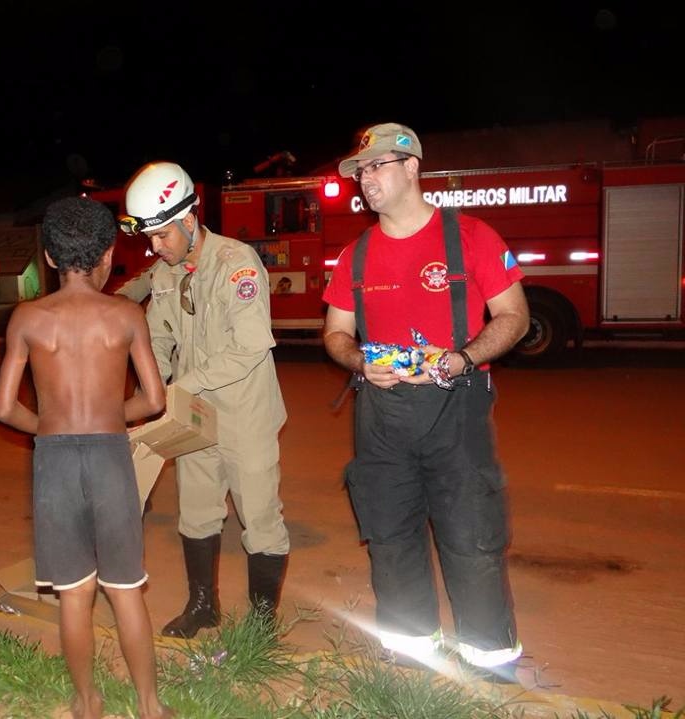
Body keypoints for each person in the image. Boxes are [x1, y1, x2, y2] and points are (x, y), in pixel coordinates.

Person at [321, 123, 529, 682]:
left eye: (377, 166)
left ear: (412, 167)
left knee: (470, 535)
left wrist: (461, 357)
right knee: (389, 535)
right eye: (360, 171)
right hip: (382, 417)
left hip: (455, 408)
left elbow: (515, 317)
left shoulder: (473, 238)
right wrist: (362, 361)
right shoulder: (355, 256)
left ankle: (490, 663)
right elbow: (336, 334)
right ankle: (413, 656)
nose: (366, 180)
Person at [0, 196, 172, 719]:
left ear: (48, 257)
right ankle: (149, 705)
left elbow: (4, 407)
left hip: (55, 463)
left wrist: (49, 428)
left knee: (74, 594)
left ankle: (87, 702)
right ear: (109, 254)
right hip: (111, 457)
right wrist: (110, 416)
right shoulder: (126, 313)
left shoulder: (28, 317)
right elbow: (156, 400)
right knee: (126, 590)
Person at [118, 161, 290, 638]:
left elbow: (250, 346)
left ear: (189, 218)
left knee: (258, 518)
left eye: (161, 237)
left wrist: (179, 388)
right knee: (196, 511)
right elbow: (156, 340)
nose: (155, 248)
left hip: (245, 414)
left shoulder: (236, 265)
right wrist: (150, 398)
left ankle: (261, 624)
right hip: (194, 416)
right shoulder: (168, 272)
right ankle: (202, 606)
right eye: (150, 238)